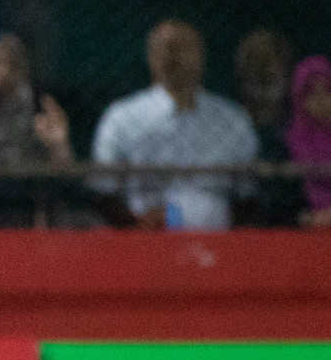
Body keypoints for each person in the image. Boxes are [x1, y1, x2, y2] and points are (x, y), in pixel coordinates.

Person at [89, 18, 257, 230]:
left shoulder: (233, 119)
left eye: (183, 48)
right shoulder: (121, 117)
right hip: (145, 240)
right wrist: (132, 223)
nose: (173, 56)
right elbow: (103, 191)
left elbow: (247, 195)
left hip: (219, 241)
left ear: (201, 54)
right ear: (150, 56)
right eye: (164, 48)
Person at [0, 31, 72, 227]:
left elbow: (63, 168)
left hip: (26, 201)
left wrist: (59, 144)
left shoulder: (37, 104)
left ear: (16, 70)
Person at [234, 29, 301, 227]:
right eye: (256, 60)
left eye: (270, 60)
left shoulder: (297, 118)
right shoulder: (236, 120)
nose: (264, 69)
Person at [285, 55, 331, 229]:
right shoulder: (288, 145)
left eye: (327, 90)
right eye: (311, 93)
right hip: (305, 232)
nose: (321, 100)